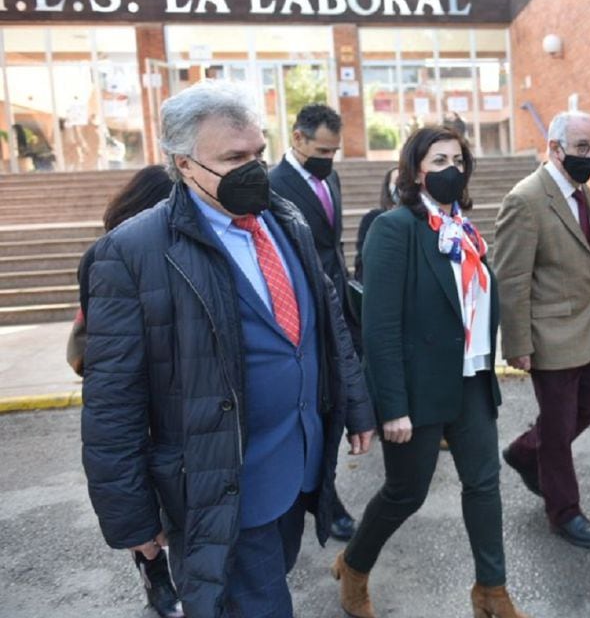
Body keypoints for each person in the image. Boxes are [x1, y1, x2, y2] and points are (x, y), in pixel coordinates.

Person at [80, 81, 376, 618]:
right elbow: (112, 400)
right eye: (234, 158)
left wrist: (356, 406)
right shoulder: (132, 252)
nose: (253, 170)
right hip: (222, 485)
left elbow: (327, 324)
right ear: (183, 163)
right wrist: (131, 517)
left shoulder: (285, 220)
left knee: (268, 582)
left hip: (300, 467)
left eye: (258, 154)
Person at [332, 126, 529, 618]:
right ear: (416, 169)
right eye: (438, 160)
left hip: (473, 381)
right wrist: (392, 406)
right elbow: (379, 327)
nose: (450, 169)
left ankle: (491, 590)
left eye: (458, 160)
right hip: (419, 390)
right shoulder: (395, 228)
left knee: (484, 485)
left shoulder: (462, 228)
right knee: (406, 493)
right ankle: (355, 565)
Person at [492, 110, 590, 550]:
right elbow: (510, 278)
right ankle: (564, 512)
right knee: (559, 430)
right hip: (551, 336)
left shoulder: (582, 193)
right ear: (555, 148)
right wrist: (517, 344)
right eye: (582, 147)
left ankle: (526, 451)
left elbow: (588, 261)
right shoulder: (525, 199)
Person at [71, 165, 181, 618]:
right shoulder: (107, 255)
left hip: (177, 390)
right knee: (142, 488)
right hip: (135, 391)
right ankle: (154, 572)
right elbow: (108, 344)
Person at [269, 103, 358, 542]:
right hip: (300, 317)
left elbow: (332, 246)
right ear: (298, 138)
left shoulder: (330, 176)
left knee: (335, 407)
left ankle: (317, 492)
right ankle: (324, 499)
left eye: (335, 151)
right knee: (315, 410)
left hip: (337, 306)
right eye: (323, 149)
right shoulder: (272, 185)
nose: (330, 159)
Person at [352, 167, 398, 282]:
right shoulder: (373, 219)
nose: (402, 186)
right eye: (397, 182)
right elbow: (363, 262)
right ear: (388, 186)